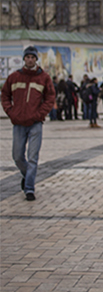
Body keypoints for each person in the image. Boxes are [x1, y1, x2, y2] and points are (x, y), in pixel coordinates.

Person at [1, 46, 56, 201]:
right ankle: (27, 175)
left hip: (35, 123)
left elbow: (50, 97)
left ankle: (29, 189)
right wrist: (10, 112)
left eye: (33, 57)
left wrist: (40, 114)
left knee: (33, 157)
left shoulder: (43, 77)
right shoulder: (14, 77)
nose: (30, 59)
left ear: (36, 59)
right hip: (18, 123)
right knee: (17, 156)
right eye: (27, 57)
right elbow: (5, 95)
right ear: (24, 59)